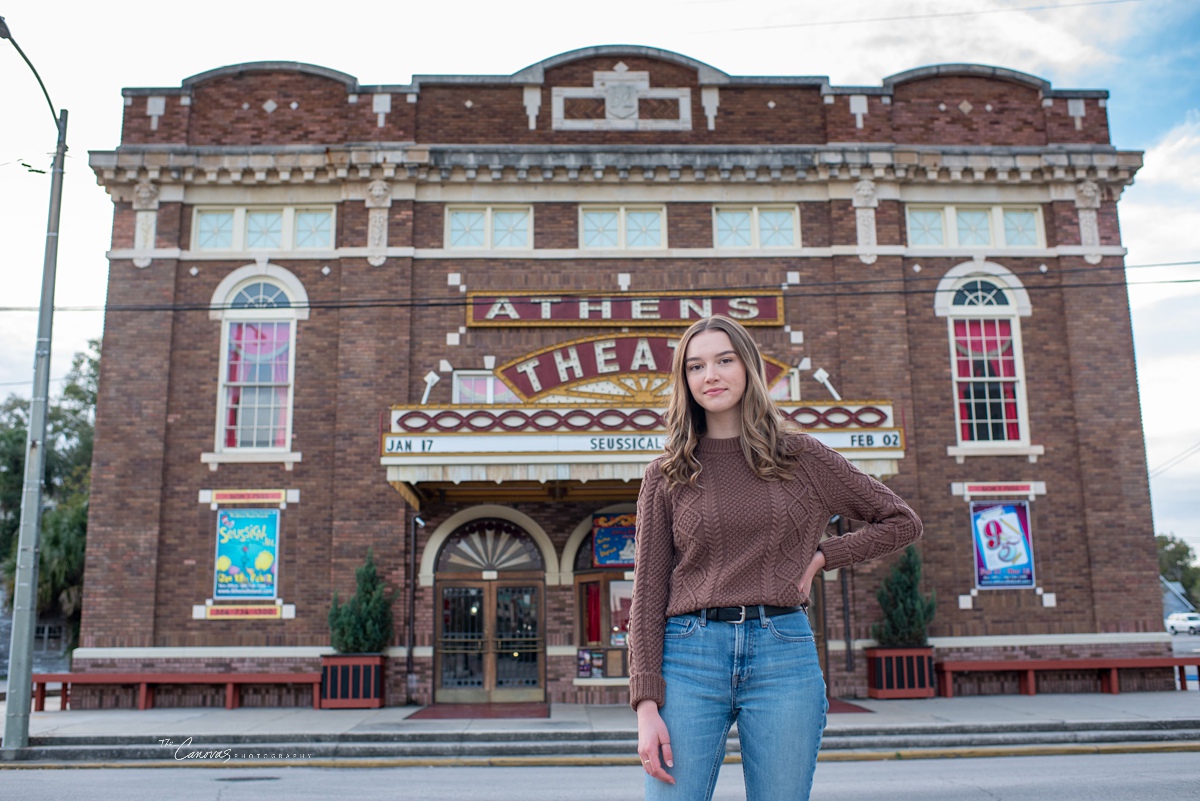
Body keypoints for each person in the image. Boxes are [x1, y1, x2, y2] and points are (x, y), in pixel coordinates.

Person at [628, 314, 923, 801]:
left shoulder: (803, 458)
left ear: (748, 367)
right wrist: (645, 705)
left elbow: (900, 521)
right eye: (695, 366)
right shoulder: (666, 474)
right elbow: (647, 592)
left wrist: (823, 556)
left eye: (724, 360)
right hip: (688, 656)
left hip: (782, 652)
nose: (711, 376)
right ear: (684, 381)